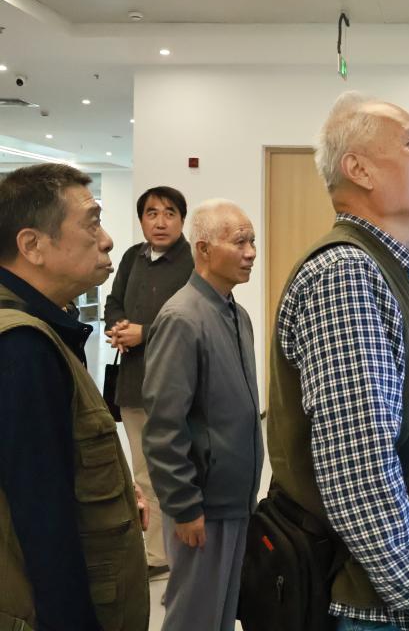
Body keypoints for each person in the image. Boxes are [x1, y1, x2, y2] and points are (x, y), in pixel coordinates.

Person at [271, 91, 409, 631]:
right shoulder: (346, 276)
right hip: (393, 613)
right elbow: (361, 482)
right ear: (359, 169)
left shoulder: (387, 269)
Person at [0, 163, 149, 631]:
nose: (107, 240)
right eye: (92, 223)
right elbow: (44, 524)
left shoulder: (44, 331)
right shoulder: (22, 348)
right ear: (32, 246)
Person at [143, 199, 264, 631]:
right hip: (202, 506)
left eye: (253, 241)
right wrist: (184, 506)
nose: (251, 252)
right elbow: (164, 425)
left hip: (235, 500)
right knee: (194, 618)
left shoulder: (236, 314)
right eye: (240, 242)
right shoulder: (182, 317)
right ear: (204, 249)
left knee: (220, 617)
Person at [104, 185, 193, 580]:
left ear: (182, 219)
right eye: (152, 213)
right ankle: (158, 553)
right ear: (141, 219)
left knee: (177, 469)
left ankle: (179, 547)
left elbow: (196, 320)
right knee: (143, 473)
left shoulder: (193, 261)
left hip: (177, 386)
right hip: (133, 382)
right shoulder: (131, 257)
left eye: (170, 213)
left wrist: (146, 332)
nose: (160, 221)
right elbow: (113, 303)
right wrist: (119, 327)